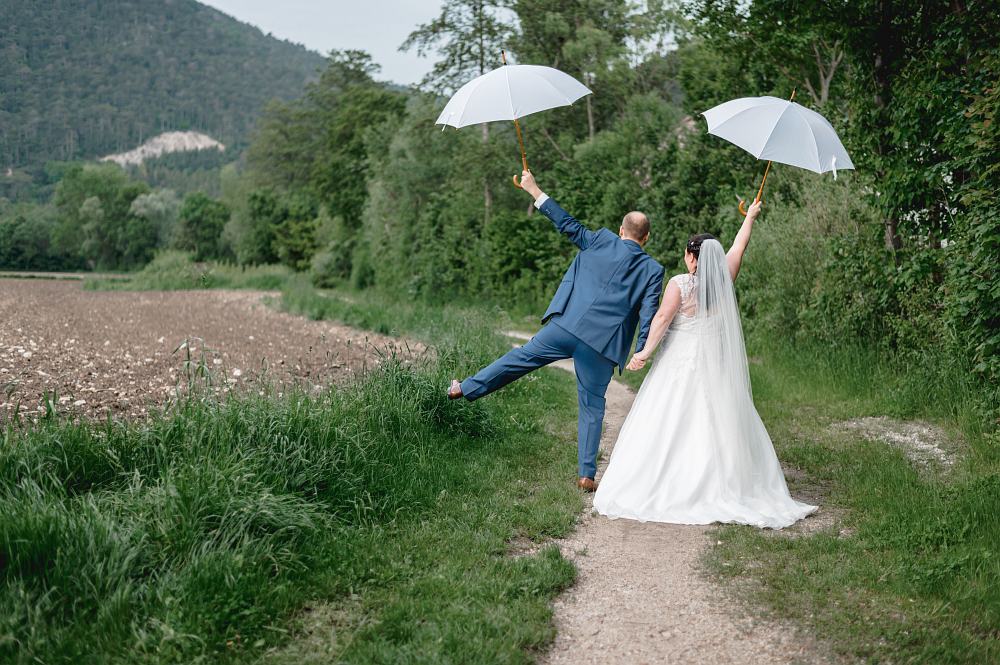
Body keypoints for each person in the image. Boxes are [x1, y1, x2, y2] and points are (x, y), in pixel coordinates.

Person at [593, 202, 817, 528]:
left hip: (679, 364)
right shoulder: (725, 279)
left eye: (687, 253)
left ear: (693, 257)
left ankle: (674, 483)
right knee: (717, 419)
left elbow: (662, 318)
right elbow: (740, 245)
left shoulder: (681, 284)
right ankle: (724, 482)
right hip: (715, 366)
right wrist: (750, 218)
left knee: (669, 419)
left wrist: (644, 352)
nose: (685, 258)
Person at [448, 170, 665, 492]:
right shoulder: (653, 270)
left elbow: (567, 223)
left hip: (566, 326)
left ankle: (463, 388)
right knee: (592, 406)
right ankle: (586, 475)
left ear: (621, 231)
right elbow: (650, 311)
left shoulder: (602, 239)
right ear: (646, 238)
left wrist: (533, 189)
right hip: (601, 346)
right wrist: (642, 349)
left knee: (519, 358)